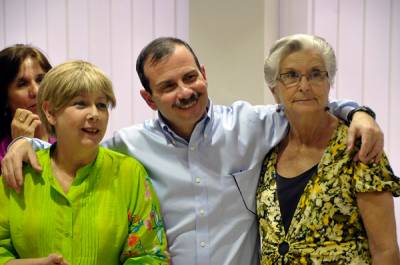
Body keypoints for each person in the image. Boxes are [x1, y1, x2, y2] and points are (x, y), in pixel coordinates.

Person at [1, 38, 384, 265]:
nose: (185, 92)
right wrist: (23, 143)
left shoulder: (250, 124)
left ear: (203, 72)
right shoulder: (128, 148)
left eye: (190, 77)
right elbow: (73, 149)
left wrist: (359, 113)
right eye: (168, 86)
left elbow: (306, 99)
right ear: (148, 99)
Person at [0, 60, 169, 264]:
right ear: (50, 112)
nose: (94, 114)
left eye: (101, 105)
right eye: (80, 103)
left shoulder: (130, 174)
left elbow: (151, 255)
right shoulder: (19, 172)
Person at [257, 34, 400, 264]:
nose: (304, 86)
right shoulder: (267, 147)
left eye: (315, 74)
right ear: (275, 90)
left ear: (329, 83)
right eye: (291, 76)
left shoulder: (359, 146)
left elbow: (385, 251)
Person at [0, 44, 55, 165]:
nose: (36, 91)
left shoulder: (66, 136)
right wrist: (20, 145)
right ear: (4, 98)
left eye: (40, 79)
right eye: (22, 84)